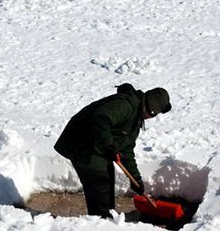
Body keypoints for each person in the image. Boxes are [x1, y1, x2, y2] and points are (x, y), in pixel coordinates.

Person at [54, 83, 172, 218]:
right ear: (147, 104)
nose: (149, 116)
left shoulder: (136, 117)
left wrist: (136, 180)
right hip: (82, 144)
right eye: (150, 113)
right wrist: (109, 146)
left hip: (97, 145)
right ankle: (100, 220)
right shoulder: (126, 105)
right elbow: (100, 118)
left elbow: (126, 150)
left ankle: (108, 216)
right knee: (99, 181)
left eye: (153, 115)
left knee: (108, 178)